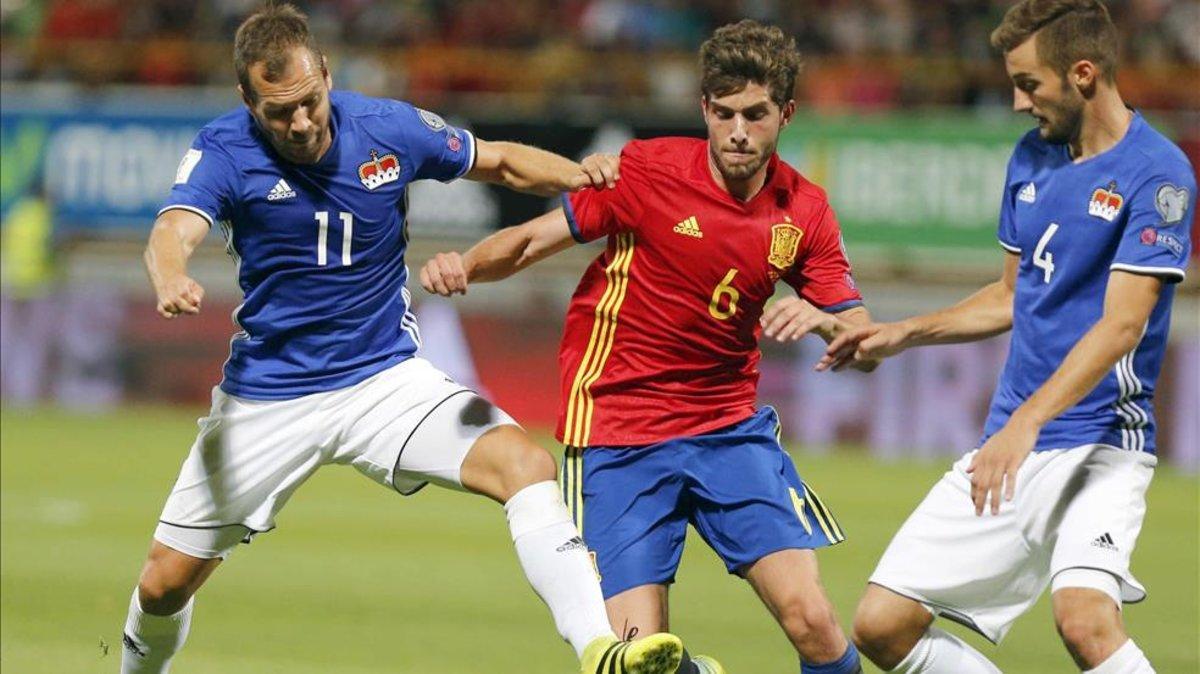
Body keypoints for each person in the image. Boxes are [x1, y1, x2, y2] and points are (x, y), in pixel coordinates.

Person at [120, 4, 685, 674]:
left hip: (386, 380)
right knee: (163, 584)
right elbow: (172, 230)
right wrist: (171, 275)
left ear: (327, 74)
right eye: (278, 112)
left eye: (308, 101)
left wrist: (579, 174)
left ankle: (600, 652)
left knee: (524, 466)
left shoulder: (388, 127)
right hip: (268, 399)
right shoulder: (223, 150)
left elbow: (500, 163)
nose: (299, 123)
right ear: (247, 101)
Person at [421, 20, 873, 674]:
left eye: (756, 114)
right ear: (703, 110)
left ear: (787, 114)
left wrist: (826, 319)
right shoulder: (647, 172)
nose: (739, 131)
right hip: (618, 434)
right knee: (638, 660)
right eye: (724, 114)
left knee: (816, 624)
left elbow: (863, 333)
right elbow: (529, 240)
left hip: (728, 431)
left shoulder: (804, 211)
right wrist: (464, 265)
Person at [825, 2, 1196, 672]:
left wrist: (1025, 423)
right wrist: (903, 333)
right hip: (1014, 438)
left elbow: (1123, 324)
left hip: (1100, 445)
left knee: (1084, 621)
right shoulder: (1032, 157)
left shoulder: (1157, 172)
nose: (1018, 101)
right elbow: (1010, 295)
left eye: (1029, 83)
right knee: (882, 625)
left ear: (1083, 73)